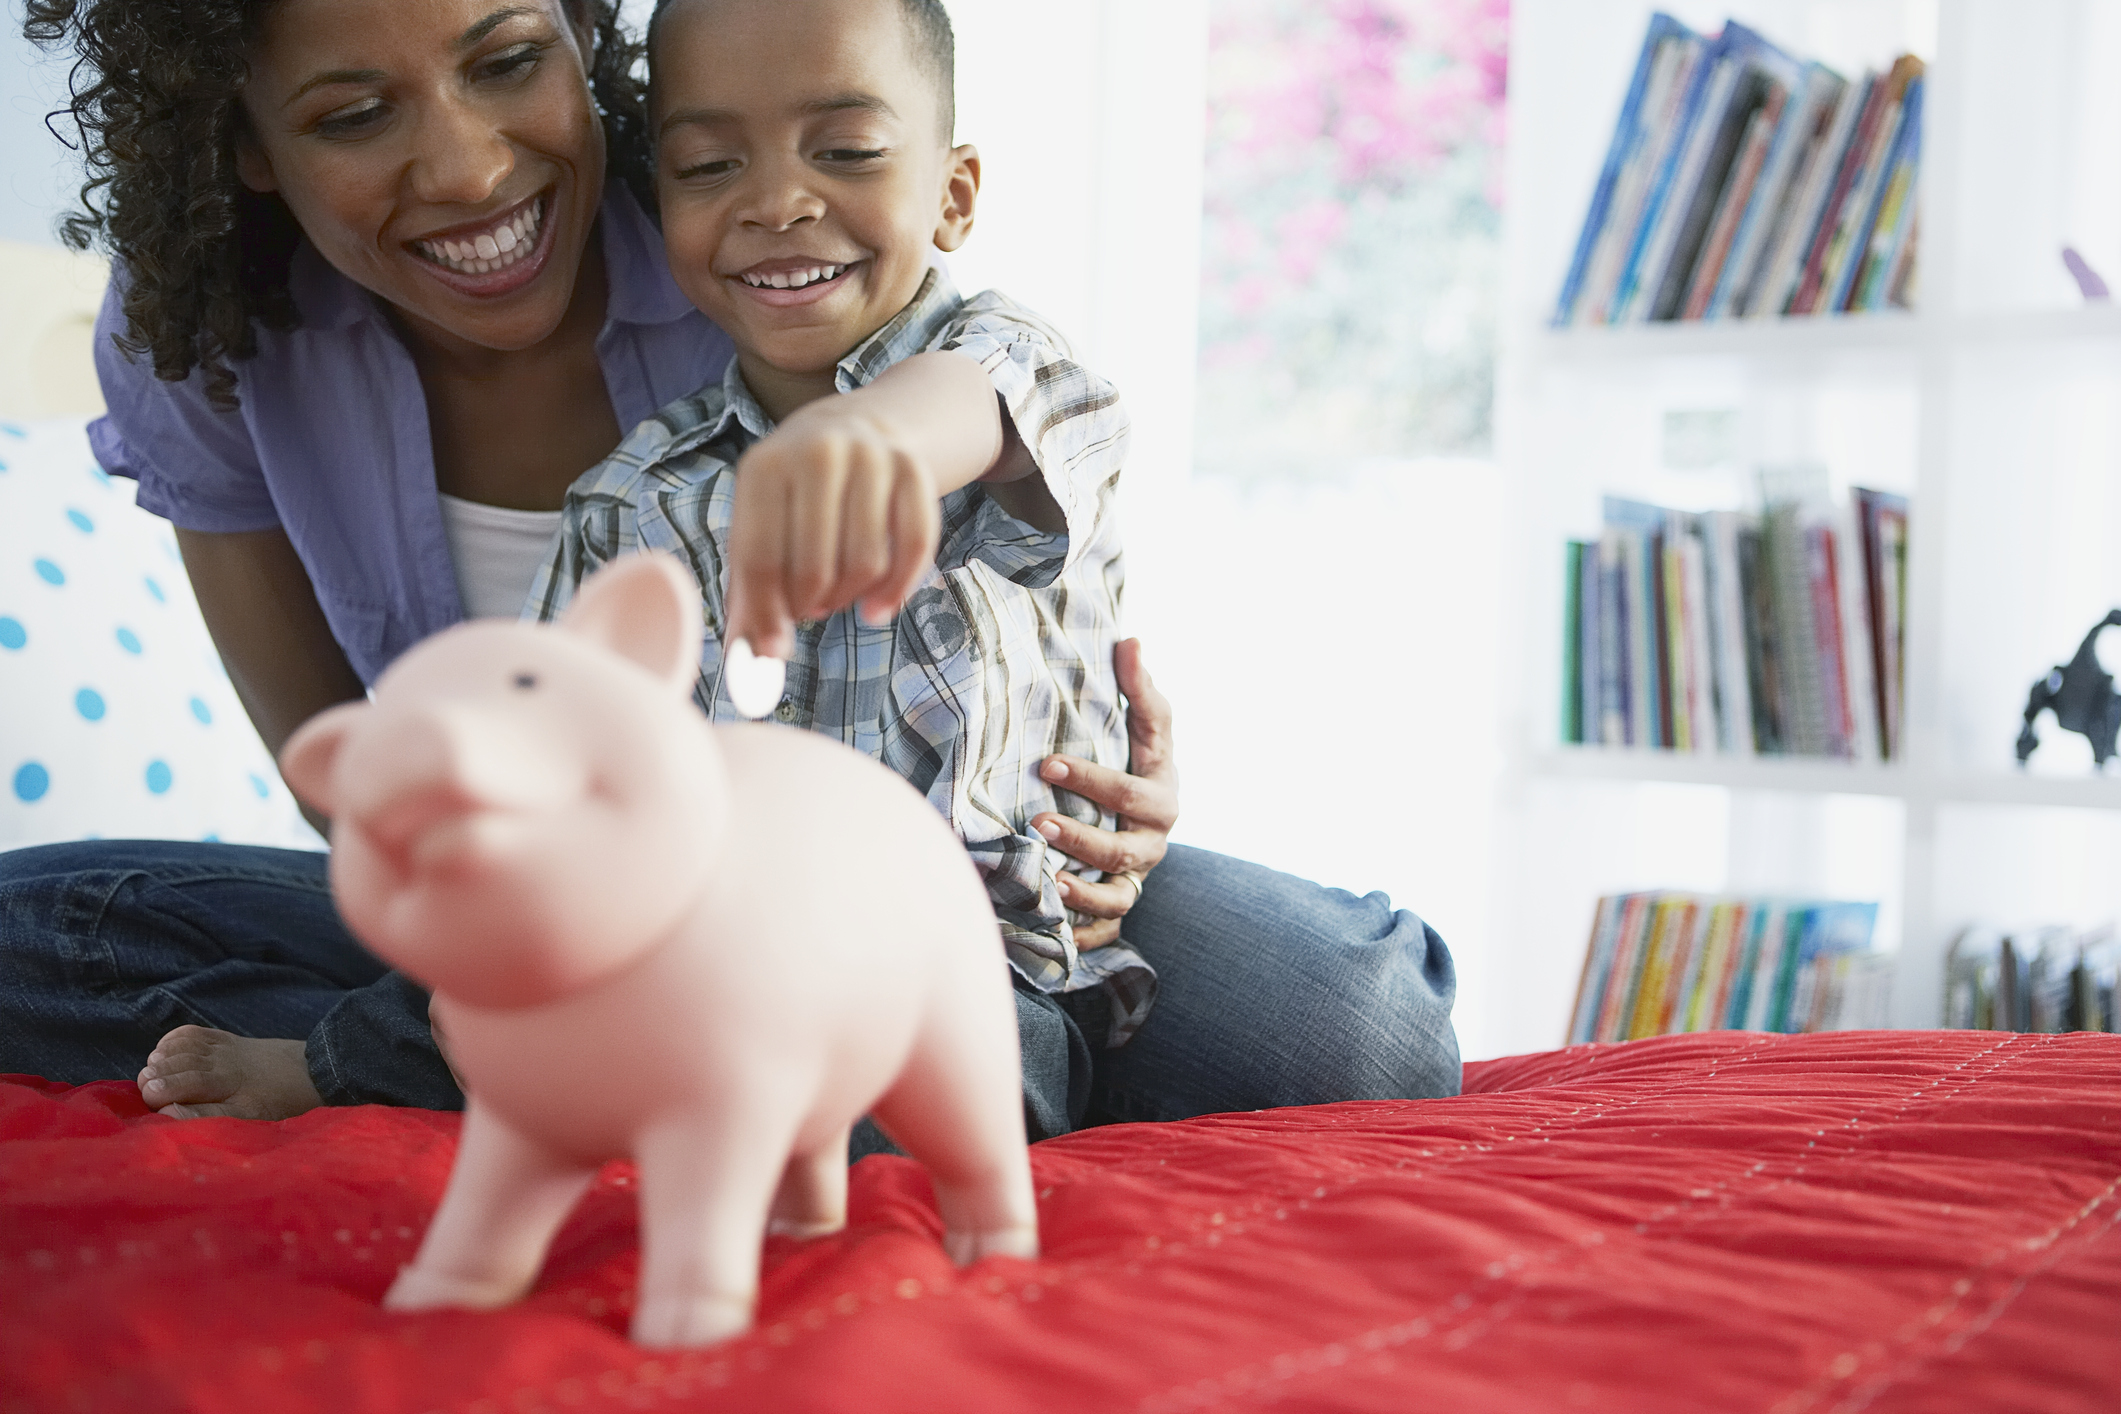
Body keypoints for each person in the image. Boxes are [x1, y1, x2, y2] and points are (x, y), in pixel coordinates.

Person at [0, 0, 1461, 1132]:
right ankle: (442, 1049)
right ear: (249, 145)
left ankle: (543, 1059)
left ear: (582, 42)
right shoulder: (210, 332)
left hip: (928, 868)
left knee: (1357, 1028)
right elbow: (354, 790)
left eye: (508, 60)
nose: (465, 164)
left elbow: (995, 395)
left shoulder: (746, 240)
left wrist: (1105, 785)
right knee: (36, 935)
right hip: (539, 878)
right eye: (354, 113)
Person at [534, 0, 1148, 1140]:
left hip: (1004, 955)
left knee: (1367, 1022)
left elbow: (990, 405)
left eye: (849, 151)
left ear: (954, 193)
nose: (776, 203)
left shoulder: (1010, 363)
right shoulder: (631, 503)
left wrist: (873, 438)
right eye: (710, 164)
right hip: (740, 969)